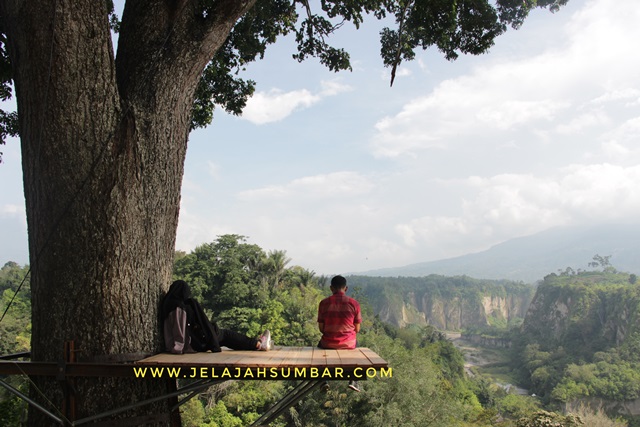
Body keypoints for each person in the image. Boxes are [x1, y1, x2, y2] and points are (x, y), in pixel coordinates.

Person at [161, 280, 271, 354]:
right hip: (193, 344)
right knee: (226, 335)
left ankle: (257, 344)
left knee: (225, 338)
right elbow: (179, 330)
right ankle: (259, 344)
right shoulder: (178, 308)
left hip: (193, 342)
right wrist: (179, 348)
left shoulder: (169, 305)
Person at [317, 275, 362, 391]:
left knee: (318, 351)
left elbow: (321, 328)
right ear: (346, 288)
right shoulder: (354, 304)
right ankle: (354, 380)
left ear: (331, 288)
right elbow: (357, 329)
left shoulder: (323, 303)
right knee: (358, 350)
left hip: (328, 343)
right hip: (348, 344)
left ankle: (323, 380)